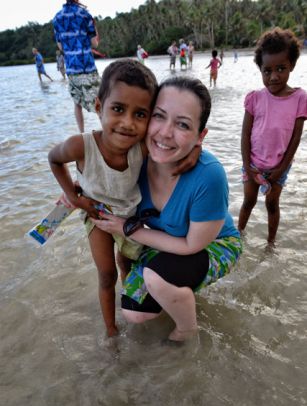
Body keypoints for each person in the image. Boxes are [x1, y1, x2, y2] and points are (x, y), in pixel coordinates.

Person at [48, 60, 199, 338]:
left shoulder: (142, 147)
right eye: (118, 109)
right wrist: (74, 196)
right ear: (97, 106)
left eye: (140, 114)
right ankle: (111, 331)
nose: (128, 123)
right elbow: (54, 159)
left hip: (131, 217)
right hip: (97, 215)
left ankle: (131, 301)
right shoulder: (80, 146)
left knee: (127, 263)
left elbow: (173, 144)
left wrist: (194, 151)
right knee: (106, 274)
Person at [92, 76, 242, 342]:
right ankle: (177, 289)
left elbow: (191, 245)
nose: (164, 132)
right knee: (134, 313)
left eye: (183, 124)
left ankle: (186, 329)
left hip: (213, 243)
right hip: (168, 240)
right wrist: (73, 192)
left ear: (201, 136)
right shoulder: (133, 160)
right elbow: (95, 159)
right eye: (159, 116)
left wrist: (128, 229)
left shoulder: (209, 175)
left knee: (158, 278)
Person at [238, 27, 307, 246]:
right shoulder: (255, 98)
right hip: (253, 164)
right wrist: (247, 166)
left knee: (271, 205)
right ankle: (237, 237)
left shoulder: (300, 98)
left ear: (292, 66)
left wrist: (279, 170)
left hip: (279, 166)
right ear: (260, 69)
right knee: (248, 201)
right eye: (267, 71)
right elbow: (245, 134)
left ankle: (270, 244)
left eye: (281, 68)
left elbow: (295, 139)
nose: (274, 76)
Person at [53, 0, 101, 133]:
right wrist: (95, 32)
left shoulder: (57, 18)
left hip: (72, 67)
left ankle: (82, 134)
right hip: (87, 65)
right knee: (98, 100)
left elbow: (60, 47)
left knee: (77, 102)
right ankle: (106, 131)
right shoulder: (84, 14)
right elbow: (94, 44)